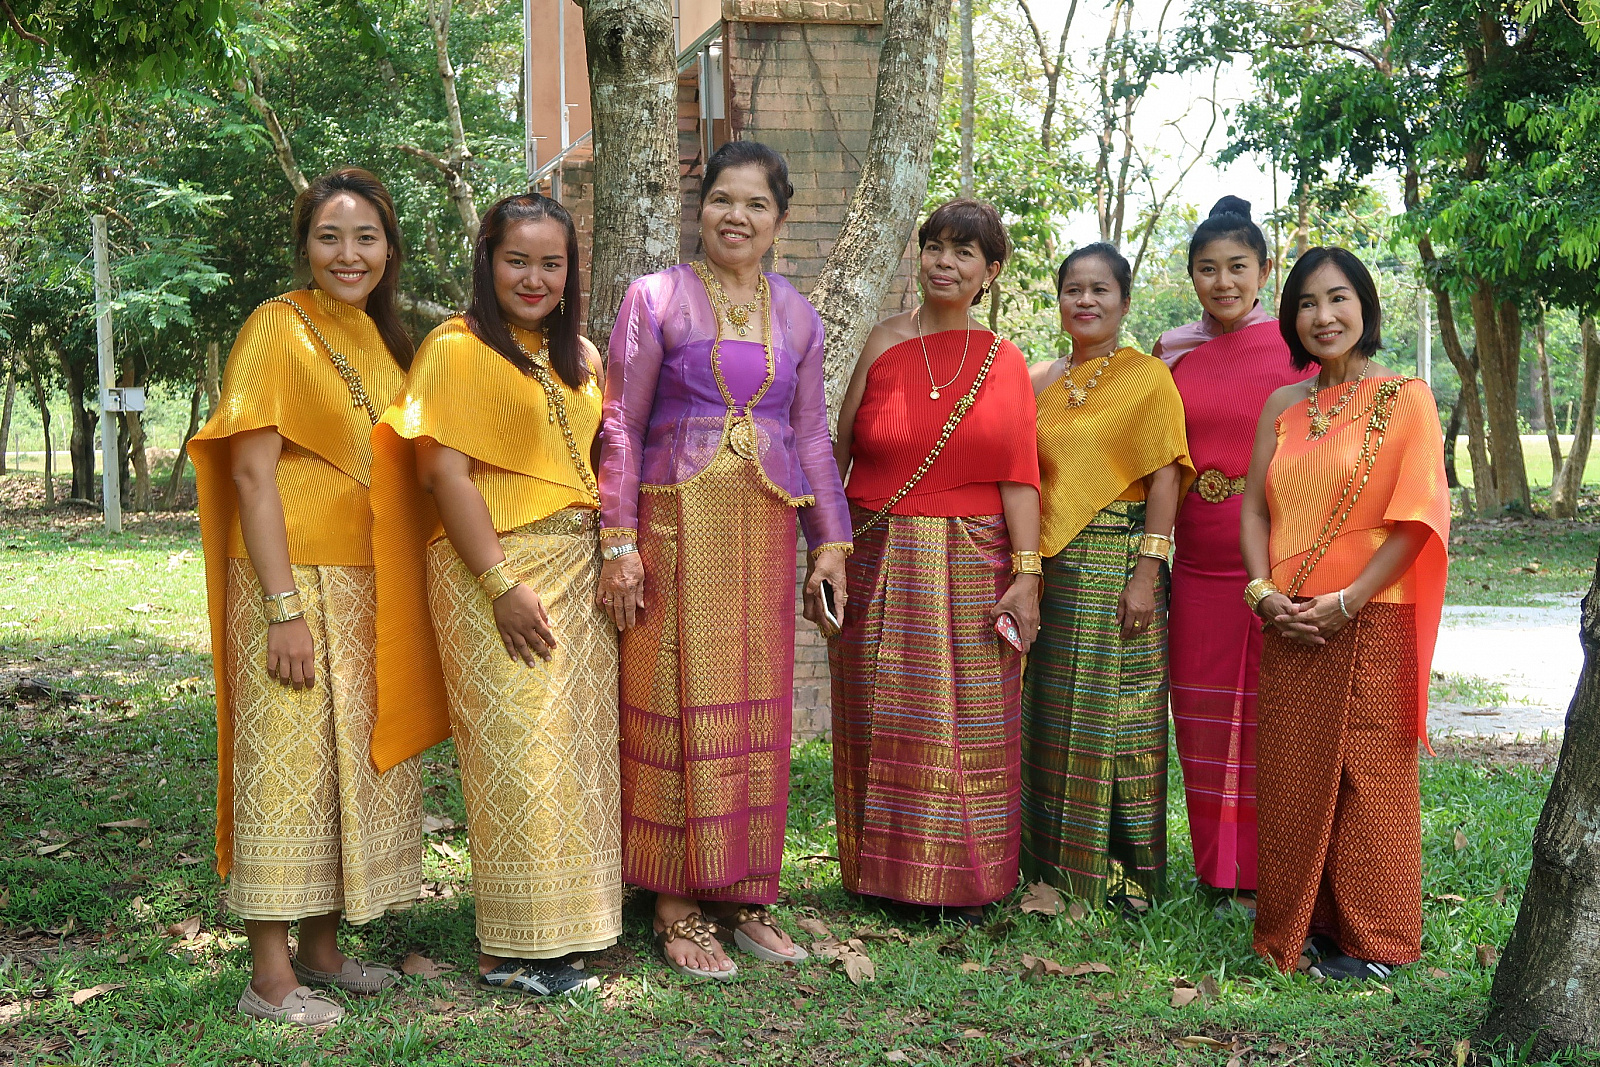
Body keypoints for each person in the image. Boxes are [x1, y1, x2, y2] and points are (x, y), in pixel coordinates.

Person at [597, 141, 851, 980]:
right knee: (674, 698)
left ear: (780, 220)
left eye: (755, 204)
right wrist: (618, 540)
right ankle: (674, 900)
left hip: (765, 526)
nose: (735, 216)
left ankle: (743, 892)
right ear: (699, 207)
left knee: (754, 707)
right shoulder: (656, 297)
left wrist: (830, 546)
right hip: (675, 525)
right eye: (721, 199)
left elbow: (810, 437)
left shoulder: (799, 315)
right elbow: (621, 423)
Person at [367, 193, 618, 997]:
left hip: (578, 568)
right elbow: (443, 474)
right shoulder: (455, 346)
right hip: (496, 569)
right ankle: (510, 949)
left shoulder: (579, 354)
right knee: (517, 747)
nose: (534, 278)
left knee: (572, 749)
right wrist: (500, 583)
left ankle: (570, 930)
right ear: (487, 261)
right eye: (517, 260)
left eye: (552, 263)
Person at [189, 168, 423, 1026]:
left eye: (365, 237)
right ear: (305, 246)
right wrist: (282, 607)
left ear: (389, 249)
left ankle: (322, 952)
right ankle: (269, 976)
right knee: (284, 767)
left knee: (342, 769)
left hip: (370, 583)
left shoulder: (385, 341)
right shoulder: (275, 326)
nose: (348, 254)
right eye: (330, 237)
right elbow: (252, 475)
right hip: (293, 580)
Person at [830, 198, 1041, 923]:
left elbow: (1020, 477)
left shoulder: (1005, 361)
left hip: (974, 561)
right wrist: (828, 551)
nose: (944, 263)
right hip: (876, 552)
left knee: (970, 722)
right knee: (878, 711)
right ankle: (877, 874)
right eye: (934, 247)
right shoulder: (881, 342)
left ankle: (966, 884)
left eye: (964, 252)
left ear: (991, 271)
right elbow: (838, 452)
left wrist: (1027, 575)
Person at [1241, 247, 1448, 982]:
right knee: (1293, 775)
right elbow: (1255, 509)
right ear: (1290, 318)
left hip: (1371, 614)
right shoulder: (1282, 407)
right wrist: (1262, 592)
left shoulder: (1406, 397)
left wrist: (1348, 600)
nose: (1323, 316)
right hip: (1288, 617)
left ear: (1365, 306)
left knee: (1369, 774)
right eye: (1306, 303)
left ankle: (1376, 943)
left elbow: (1418, 517)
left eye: (1337, 299)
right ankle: (1302, 927)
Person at [1021, 244, 1193, 911]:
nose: (1085, 300)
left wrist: (1148, 571)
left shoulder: (1148, 378)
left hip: (1121, 564)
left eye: (1100, 289)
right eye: (1073, 289)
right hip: (1052, 568)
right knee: (1050, 715)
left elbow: (1167, 475)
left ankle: (1123, 881)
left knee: (1120, 722)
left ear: (1123, 301)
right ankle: (1047, 870)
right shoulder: (1042, 379)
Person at [1153, 196, 1304, 912]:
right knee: (1202, 712)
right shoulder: (1172, 350)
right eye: (1207, 269)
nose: (1223, 282)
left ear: (1265, 272)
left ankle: (1273, 865)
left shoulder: (1297, 346)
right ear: (1192, 276)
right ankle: (1218, 870)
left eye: (1238, 267)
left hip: (1275, 552)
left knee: (1273, 713)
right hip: (1195, 558)